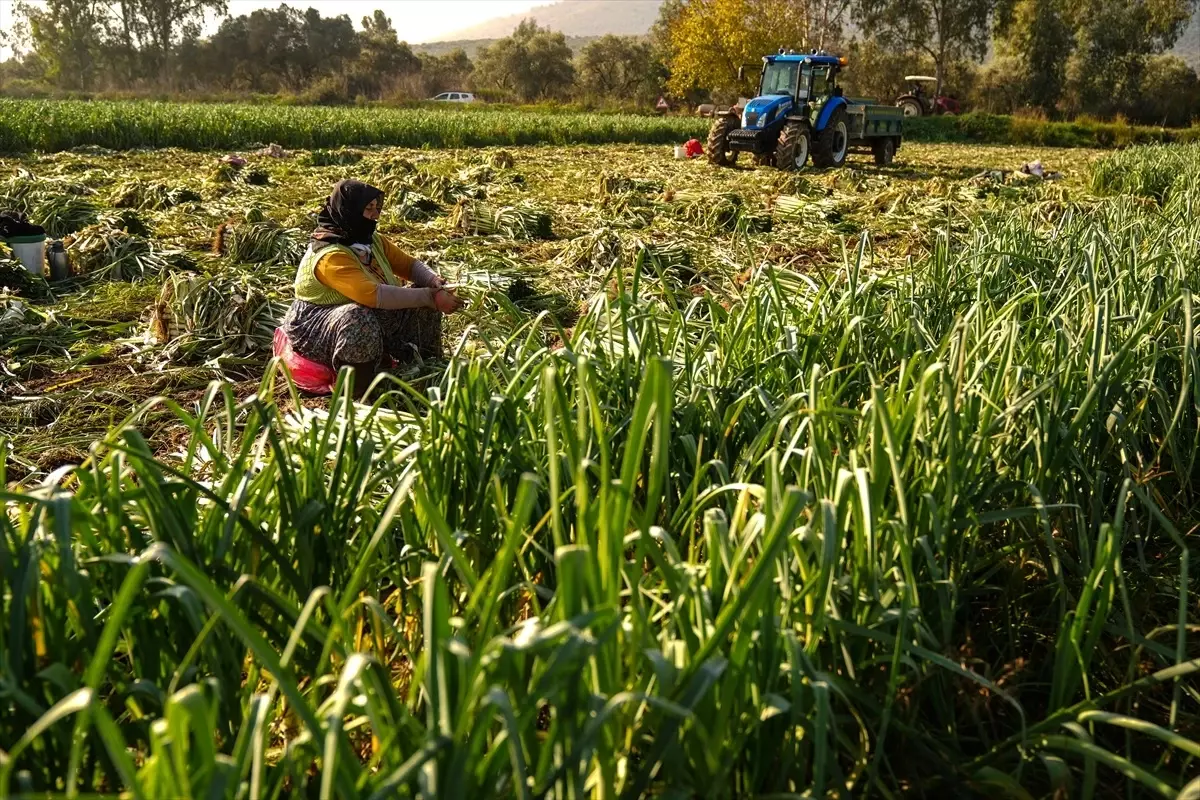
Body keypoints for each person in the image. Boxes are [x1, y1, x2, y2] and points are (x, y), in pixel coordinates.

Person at [282, 179, 463, 397]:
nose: (376, 215)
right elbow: (371, 295)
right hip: (317, 325)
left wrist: (433, 282)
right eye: (369, 209)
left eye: (377, 208)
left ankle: (425, 369)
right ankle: (360, 393)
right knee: (358, 318)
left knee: (417, 301)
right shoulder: (330, 256)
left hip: (369, 309)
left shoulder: (371, 240)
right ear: (348, 210)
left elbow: (408, 265)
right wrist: (429, 297)